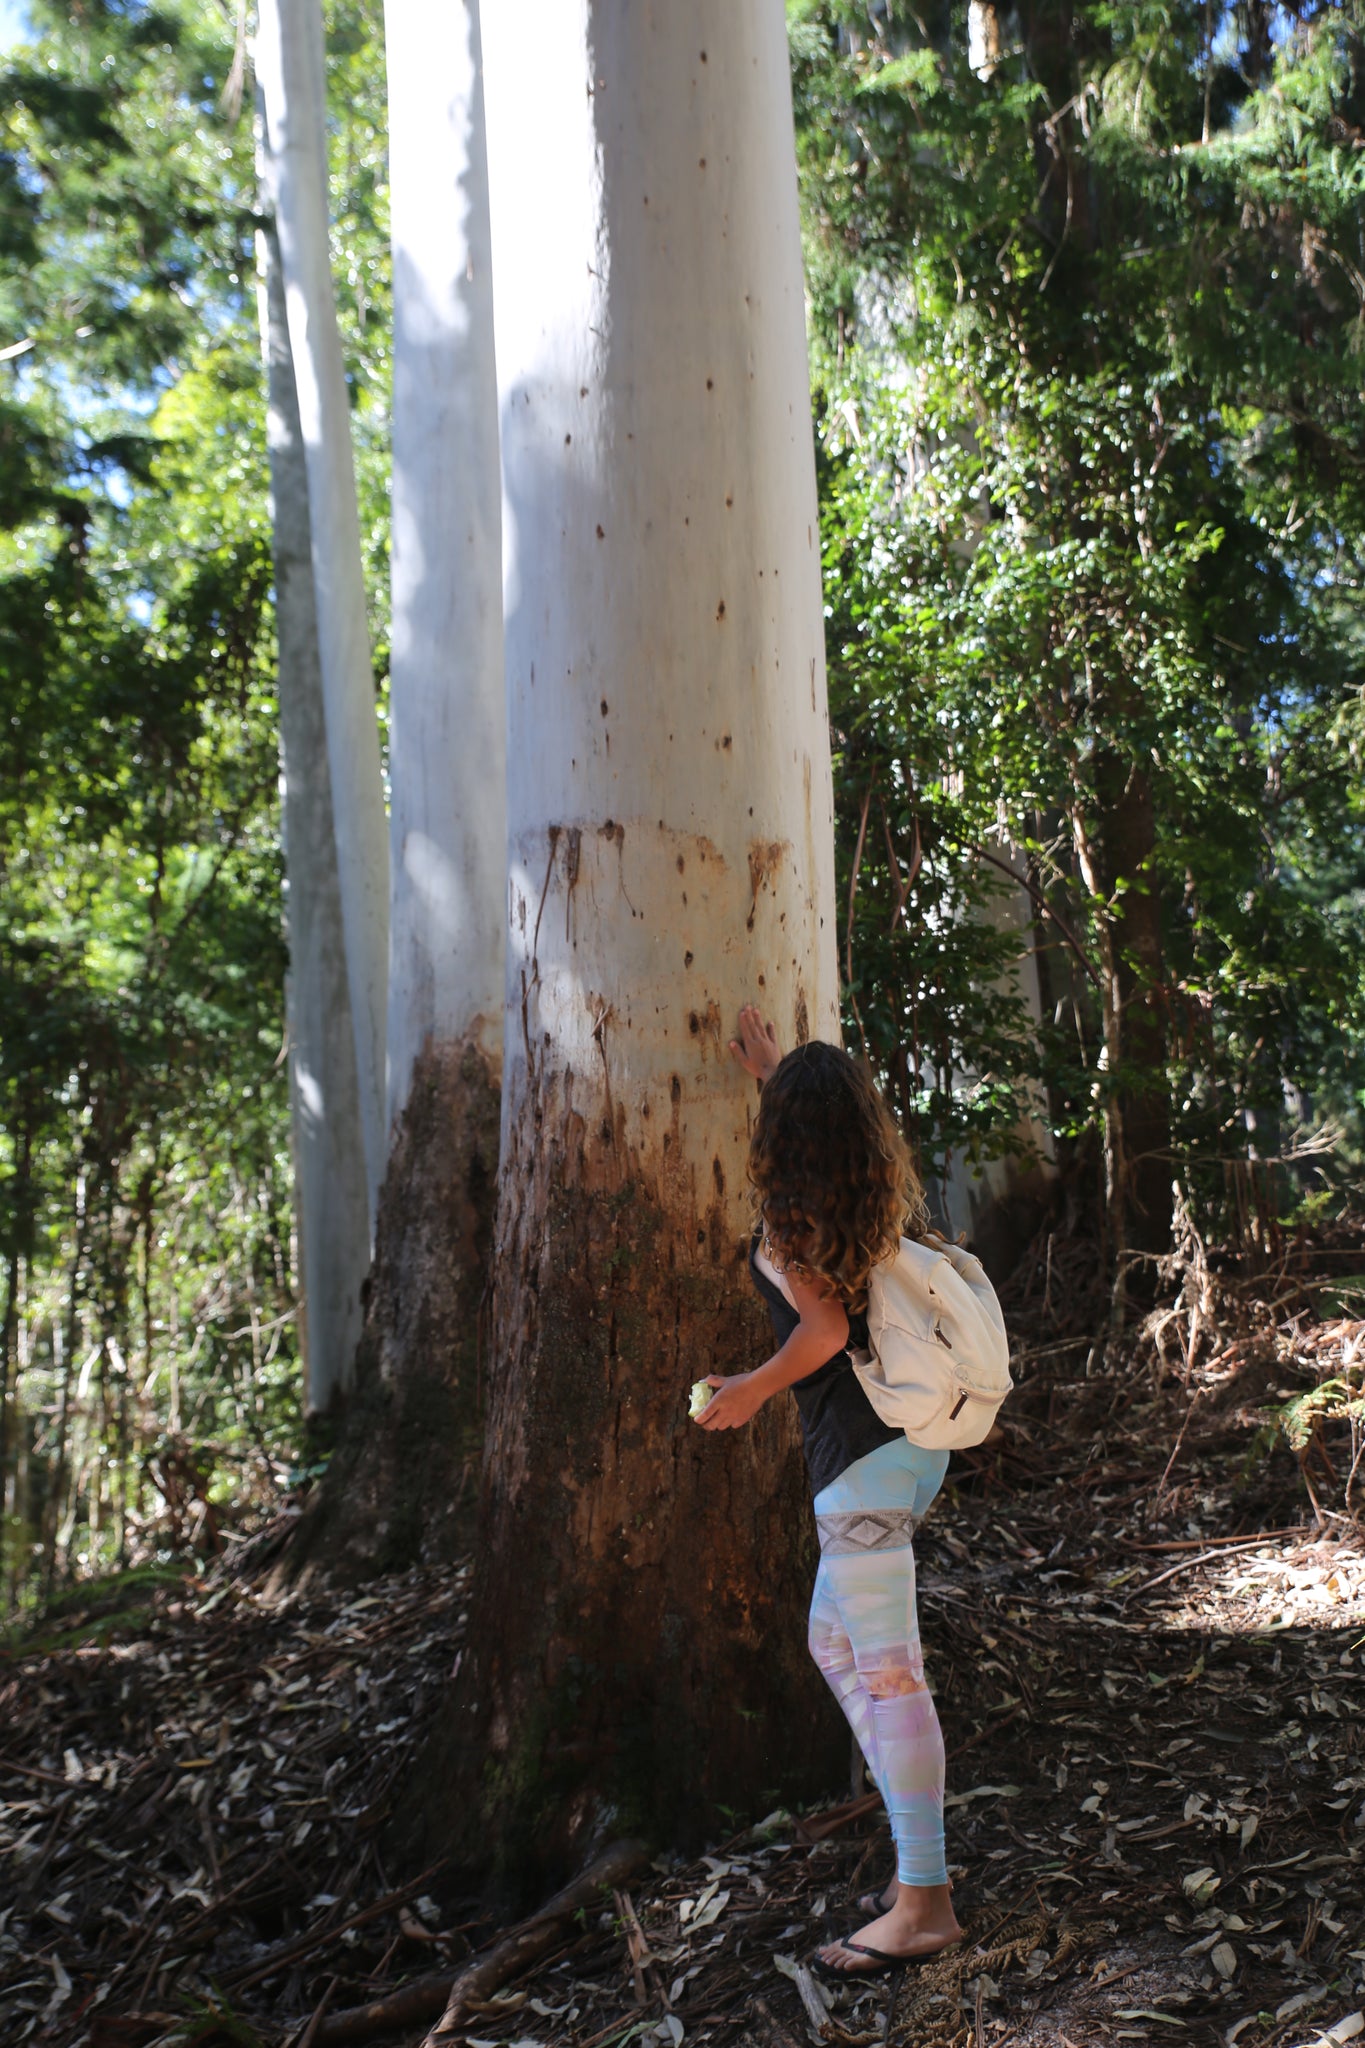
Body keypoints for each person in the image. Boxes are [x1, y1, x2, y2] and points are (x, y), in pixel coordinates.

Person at [692, 1006, 962, 1976]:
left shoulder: (787, 1225)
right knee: (832, 1639)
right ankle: (913, 1845)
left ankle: (923, 1900)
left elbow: (825, 1332)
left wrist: (748, 1388)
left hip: (856, 1467)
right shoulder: (877, 1194)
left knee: (890, 1672)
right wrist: (777, 1071)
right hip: (912, 1449)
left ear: (781, 1143)